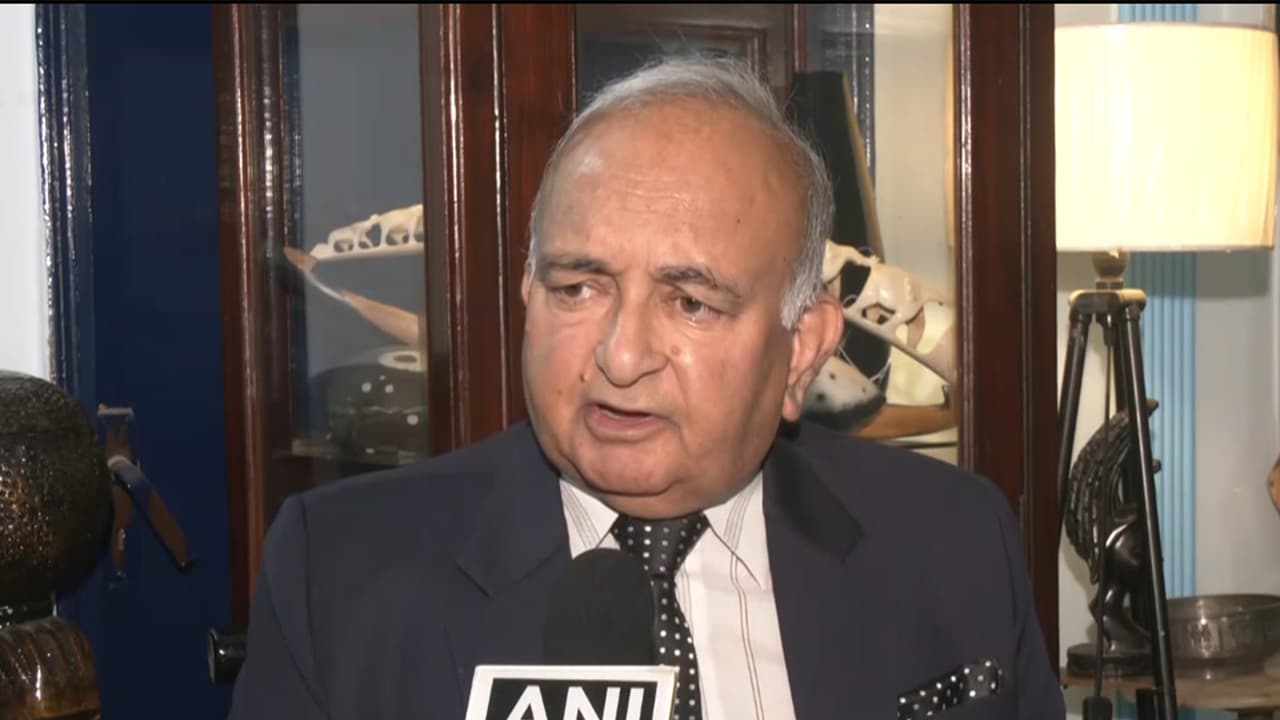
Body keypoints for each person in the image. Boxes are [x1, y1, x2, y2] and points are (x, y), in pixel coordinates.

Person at [227, 56, 1066, 720]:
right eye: (578, 289)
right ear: (527, 299)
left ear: (801, 351)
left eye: (691, 302)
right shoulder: (340, 575)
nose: (621, 357)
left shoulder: (953, 543)